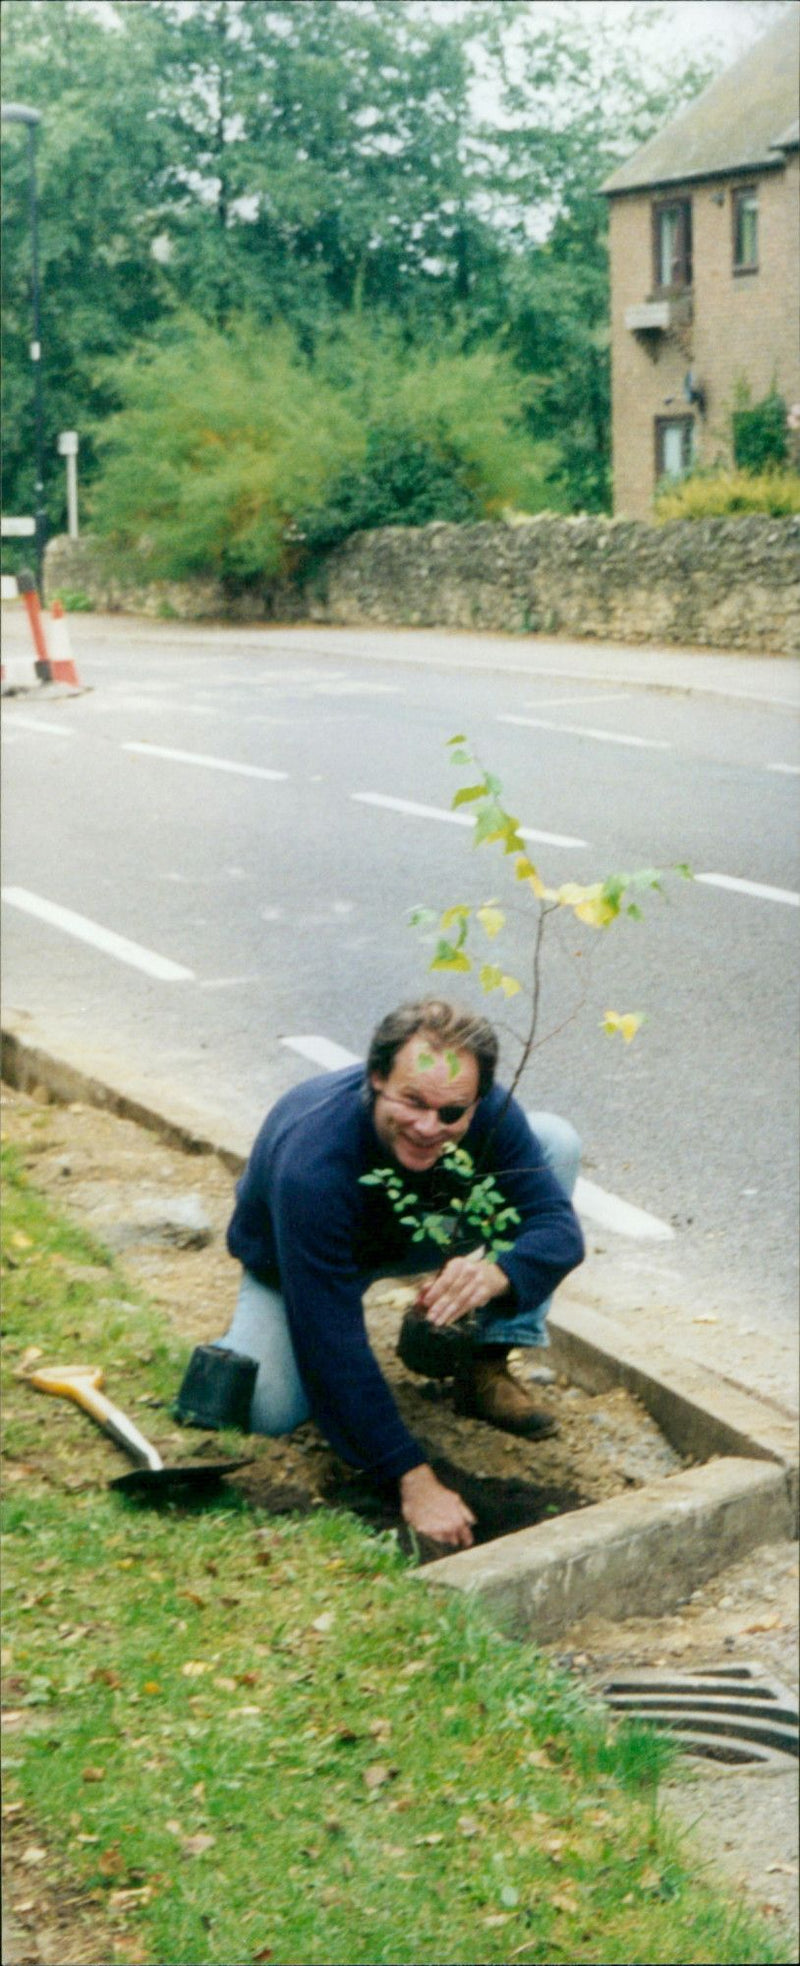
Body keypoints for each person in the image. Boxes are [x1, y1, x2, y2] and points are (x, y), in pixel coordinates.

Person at [213, 999, 584, 1549]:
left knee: (555, 1142)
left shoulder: (483, 1115)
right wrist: (410, 1476)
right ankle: (249, 1342)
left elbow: (557, 1227)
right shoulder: (314, 1165)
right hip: (296, 1256)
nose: (429, 1127)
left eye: (452, 1113)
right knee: (269, 1407)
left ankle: (486, 1361)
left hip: (419, 1228)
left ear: (476, 1100)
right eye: (412, 1101)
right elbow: (331, 1339)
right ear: (377, 1077)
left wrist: (496, 1275)